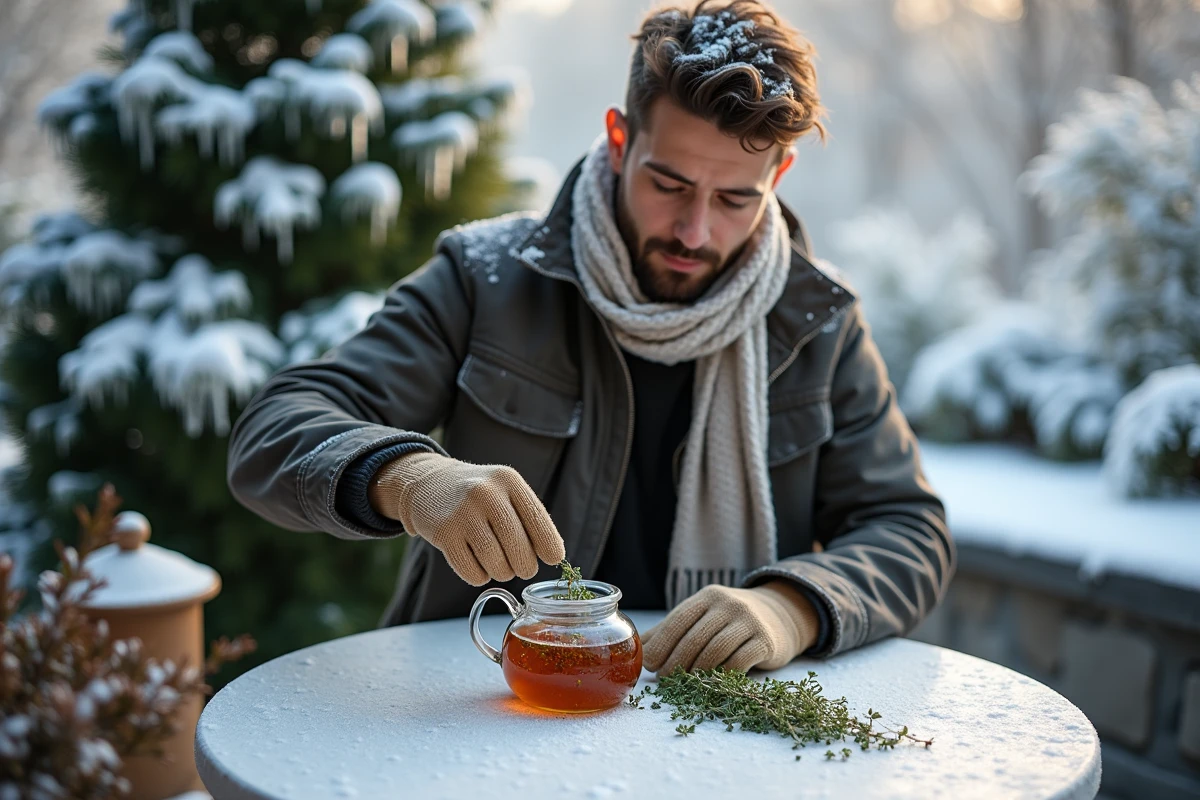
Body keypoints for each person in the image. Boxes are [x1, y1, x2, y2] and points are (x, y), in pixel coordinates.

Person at [227, 0, 954, 678]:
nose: (694, 231)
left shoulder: (820, 322)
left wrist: (792, 606)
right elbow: (272, 429)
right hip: (481, 702)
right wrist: (406, 479)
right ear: (618, 139)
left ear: (779, 174)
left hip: (717, 723)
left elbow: (908, 529)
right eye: (668, 184)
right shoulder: (484, 280)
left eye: (735, 198)